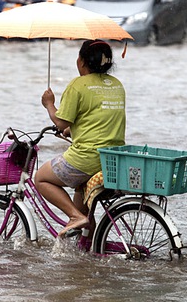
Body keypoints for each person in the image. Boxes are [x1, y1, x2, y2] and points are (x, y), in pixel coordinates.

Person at [37, 40, 126, 237]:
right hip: (113, 158)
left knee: (41, 178)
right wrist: (73, 129)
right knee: (81, 209)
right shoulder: (117, 85)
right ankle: (87, 244)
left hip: (87, 158)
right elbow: (98, 117)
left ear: (82, 62)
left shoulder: (78, 85)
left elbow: (60, 122)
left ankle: (75, 216)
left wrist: (49, 104)